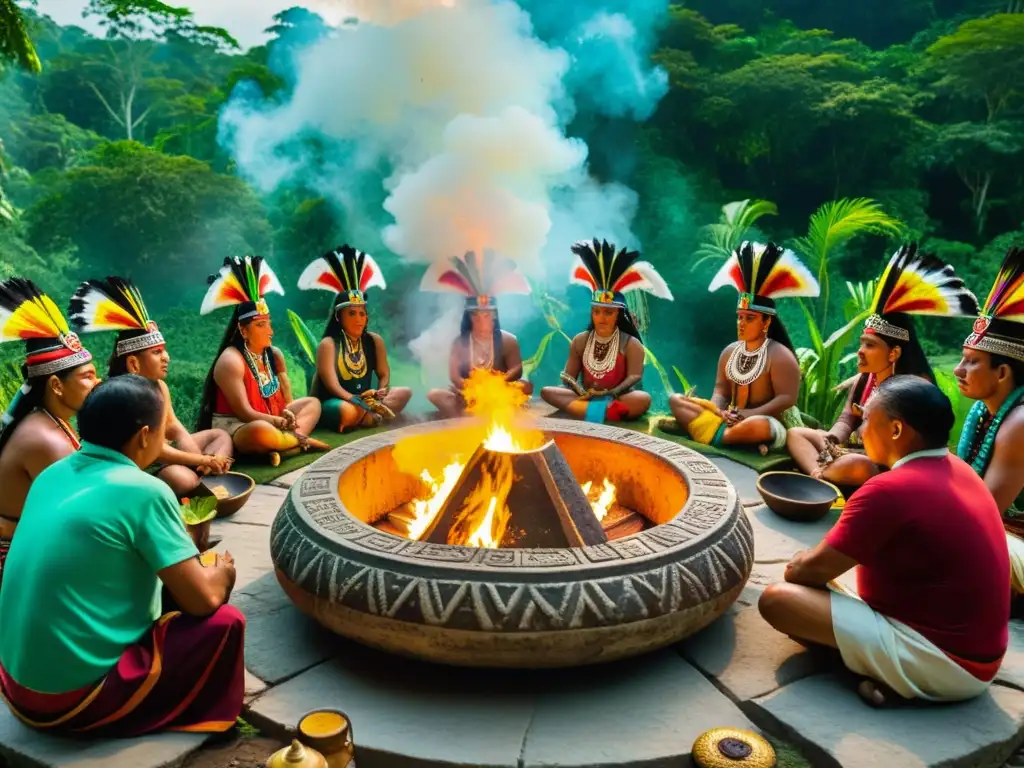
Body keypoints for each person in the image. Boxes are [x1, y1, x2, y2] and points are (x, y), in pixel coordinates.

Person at [0, 375, 245, 736]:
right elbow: (204, 599)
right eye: (162, 431)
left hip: (16, 687)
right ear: (145, 435)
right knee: (226, 622)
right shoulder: (145, 491)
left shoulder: (51, 475)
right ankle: (199, 716)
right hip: (69, 702)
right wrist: (223, 574)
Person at [759, 377, 1009, 708]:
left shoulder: (889, 490)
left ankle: (895, 680)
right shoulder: (960, 471)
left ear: (895, 430)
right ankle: (882, 670)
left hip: (945, 663)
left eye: (865, 420)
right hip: (983, 659)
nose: (860, 431)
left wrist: (802, 561)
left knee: (779, 600)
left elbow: (804, 573)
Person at [788, 244, 977, 486]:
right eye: (861, 343)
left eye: (870, 345)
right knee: (796, 434)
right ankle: (821, 474)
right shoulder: (865, 379)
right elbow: (847, 418)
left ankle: (822, 474)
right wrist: (833, 438)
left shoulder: (916, 388)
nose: (860, 352)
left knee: (858, 467)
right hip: (851, 451)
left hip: (886, 464)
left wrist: (855, 449)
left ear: (894, 352)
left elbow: (906, 448)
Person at [69, 276, 234, 497]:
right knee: (182, 479)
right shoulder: (121, 397)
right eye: (156, 353)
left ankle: (202, 474)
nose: (166, 357)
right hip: (140, 466)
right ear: (134, 363)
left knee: (220, 437)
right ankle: (197, 477)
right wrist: (202, 459)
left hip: (165, 452)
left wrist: (200, 460)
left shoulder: (160, 387)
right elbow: (155, 451)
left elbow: (174, 429)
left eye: (164, 350)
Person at [668, 242, 816, 453]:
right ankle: (726, 436)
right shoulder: (729, 352)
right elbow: (720, 391)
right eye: (739, 317)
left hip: (764, 422)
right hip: (729, 420)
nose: (741, 324)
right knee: (676, 400)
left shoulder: (780, 356)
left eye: (750, 318)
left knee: (762, 427)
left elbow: (787, 399)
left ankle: (713, 434)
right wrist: (719, 410)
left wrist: (746, 415)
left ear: (766, 322)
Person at [0, 278, 98, 589]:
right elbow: (81, 518)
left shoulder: (51, 421)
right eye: (88, 377)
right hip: (15, 562)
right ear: (56, 385)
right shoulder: (45, 439)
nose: (97, 383)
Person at [196, 255, 327, 466]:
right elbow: (244, 413)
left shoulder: (274, 355)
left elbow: (287, 401)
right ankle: (298, 442)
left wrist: (285, 414)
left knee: (312, 404)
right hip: (239, 427)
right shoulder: (230, 360)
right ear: (242, 329)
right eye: (261, 325)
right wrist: (278, 422)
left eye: (269, 323)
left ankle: (283, 449)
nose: (270, 331)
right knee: (260, 432)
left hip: (274, 421)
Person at [953, 245, 1024, 594]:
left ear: (1002, 373)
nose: (957, 370)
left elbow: (984, 511)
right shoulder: (986, 411)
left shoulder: (1020, 422)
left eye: (971, 362)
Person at [540, 239, 673, 423]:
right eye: (596, 312)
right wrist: (581, 392)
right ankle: (601, 413)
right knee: (548, 392)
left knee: (642, 399)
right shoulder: (580, 341)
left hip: (618, 399)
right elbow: (568, 376)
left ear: (618, 315)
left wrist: (612, 393)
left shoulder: (631, 344)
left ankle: (584, 411)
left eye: (608, 312)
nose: (601, 317)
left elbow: (635, 375)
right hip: (586, 396)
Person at [298, 245, 412, 431]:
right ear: (338, 317)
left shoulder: (375, 341)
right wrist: (355, 399)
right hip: (339, 401)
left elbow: (384, 373)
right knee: (347, 411)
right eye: (351, 314)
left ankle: (369, 415)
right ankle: (368, 416)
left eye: (362, 313)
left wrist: (381, 392)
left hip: (367, 398)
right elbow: (332, 385)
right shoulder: (328, 344)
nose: (359, 319)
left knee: (404, 392)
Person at [422, 249, 533, 418]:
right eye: (477, 315)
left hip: (500, 392)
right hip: (471, 394)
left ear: (494, 316)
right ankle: (475, 414)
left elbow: (517, 368)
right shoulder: (460, 342)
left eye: (487, 315)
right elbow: (454, 376)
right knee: (434, 394)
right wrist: (470, 387)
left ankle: (475, 414)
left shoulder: (508, 340)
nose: (483, 319)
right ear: (469, 317)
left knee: (524, 386)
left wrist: (498, 381)